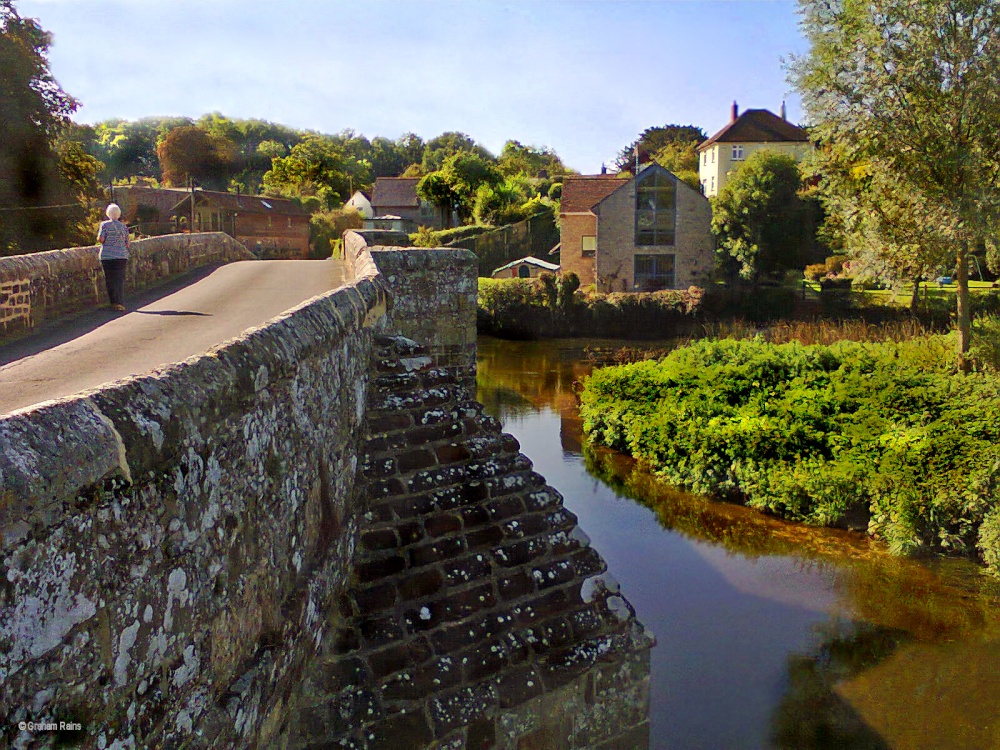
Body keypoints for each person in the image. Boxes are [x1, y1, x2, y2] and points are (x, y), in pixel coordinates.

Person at [97, 203, 130, 311]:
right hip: (121, 256)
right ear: (118, 214)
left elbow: (101, 239)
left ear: (108, 213)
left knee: (110, 279)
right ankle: (120, 302)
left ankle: (113, 302)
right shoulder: (123, 226)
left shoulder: (104, 225)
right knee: (119, 279)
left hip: (107, 256)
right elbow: (127, 244)